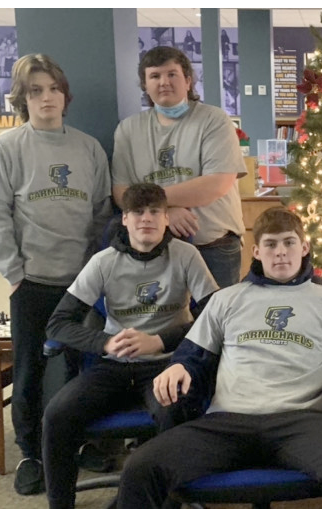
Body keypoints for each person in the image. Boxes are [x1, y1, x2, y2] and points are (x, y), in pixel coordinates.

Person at [117, 206, 322, 509]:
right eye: (271, 244)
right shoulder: (227, 300)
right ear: (256, 251)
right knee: (141, 467)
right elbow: (191, 356)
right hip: (228, 421)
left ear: (304, 247)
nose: (280, 252)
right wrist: (179, 367)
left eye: (289, 242)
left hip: (304, 421)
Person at [0, 53, 111, 495]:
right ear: (23, 98)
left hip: (82, 284)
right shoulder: (7, 147)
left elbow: (101, 212)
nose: (46, 97)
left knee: (84, 370)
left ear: (65, 95)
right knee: (30, 372)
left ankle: (82, 442)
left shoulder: (88, 148)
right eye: (36, 91)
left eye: (53, 89)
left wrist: (93, 271)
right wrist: (14, 274)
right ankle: (31, 453)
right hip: (32, 282)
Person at [41, 183, 218, 509]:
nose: (146, 218)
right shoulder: (103, 262)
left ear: (166, 218)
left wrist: (160, 340)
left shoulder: (186, 255)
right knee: (57, 415)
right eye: (137, 212)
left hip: (167, 365)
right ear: (124, 219)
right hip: (114, 367)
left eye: (154, 212)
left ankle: (166, 502)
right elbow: (58, 324)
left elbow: (216, 319)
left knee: (173, 412)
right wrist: (105, 342)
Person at [112, 46, 246, 289]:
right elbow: (121, 193)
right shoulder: (128, 130)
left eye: (171, 74)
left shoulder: (214, 120)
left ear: (188, 80)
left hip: (214, 247)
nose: (164, 82)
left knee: (219, 314)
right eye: (155, 76)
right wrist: (165, 212)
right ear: (145, 85)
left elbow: (217, 183)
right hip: (156, 250)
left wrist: (156, 204)